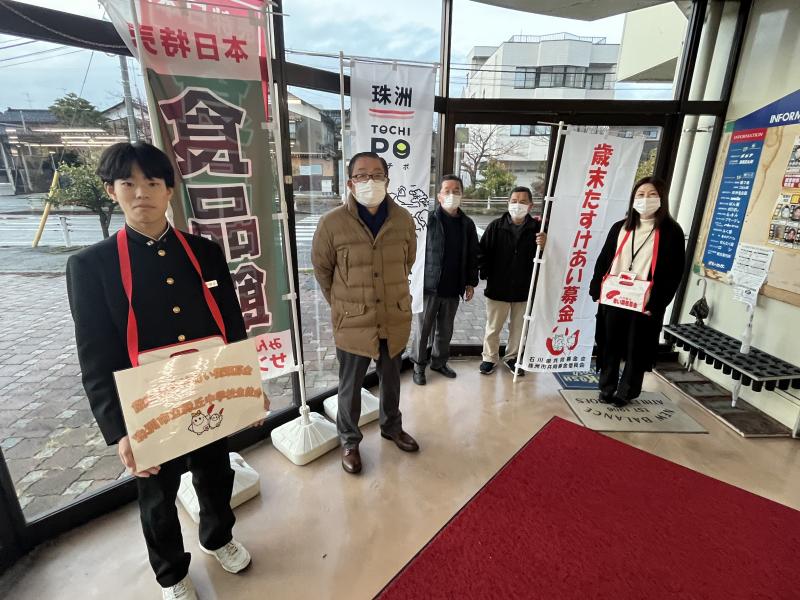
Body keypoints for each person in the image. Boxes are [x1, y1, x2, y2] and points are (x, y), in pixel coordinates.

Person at [66, 142, 265, 600]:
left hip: (208, 390)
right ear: (111, 191)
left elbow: (231, 323)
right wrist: (119, 430)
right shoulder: (91, 266)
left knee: (216, 474)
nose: (142, 193)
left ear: (169, 190)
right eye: (128, 183)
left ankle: (218, 537)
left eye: (153, 183)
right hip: (147, 404)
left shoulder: (204, 251)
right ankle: (171, 573)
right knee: (157, 494)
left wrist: (248, 387)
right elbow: (94, 355)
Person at [311, 151, 419, 475]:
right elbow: (322, 270)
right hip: (353, 321)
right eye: (361, 175)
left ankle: (392, 426)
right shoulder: (331, 223)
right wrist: (343, 305)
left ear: (387, 180)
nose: (369, 181)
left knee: (392, 380)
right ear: (350, 183)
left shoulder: (403, 219)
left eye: (376, 174)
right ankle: (349, 441)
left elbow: (408, 261)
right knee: (350, 386)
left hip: (393, 317)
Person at [589, 177, 685, 408]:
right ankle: (606, 387)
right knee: (609, 344)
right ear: (633, 199)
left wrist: (658, 303)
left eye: (652, 195)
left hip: (644, 301)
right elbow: (604, 259)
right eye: (640, 195)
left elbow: (674, 272)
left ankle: (627, 391)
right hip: (615, 296)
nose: (645, 199)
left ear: (662, 199)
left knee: (637, 347)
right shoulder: (620, 227)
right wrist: (596, 287)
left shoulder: (671, 231)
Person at [409, 175, 479, 385]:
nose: (451, 195)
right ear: (439, 196)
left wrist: (470, 282)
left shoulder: (467, 224)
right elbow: (415, 252)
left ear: (462, 195)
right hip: (429, 287)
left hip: (453, 286)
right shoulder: (427, 220)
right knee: (423, 330)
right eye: (447, 191)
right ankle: (418, 366)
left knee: (445, 330)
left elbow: (472, 255)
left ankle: (439, 362)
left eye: (456, 191)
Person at [477, 186, 546, 375]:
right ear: (508, 203)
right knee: (493, 327)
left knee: (519, 328)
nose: (518, 205)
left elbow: (547, 258)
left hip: (524, 288)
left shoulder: (538, 230)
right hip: (498, 287)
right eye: (514, 201)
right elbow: (481, 252)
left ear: (531, 205)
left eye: (523, 202)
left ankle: (512, 357)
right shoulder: (495, 226)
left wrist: (544, 245)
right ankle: (489, 358)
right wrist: (487, 274)